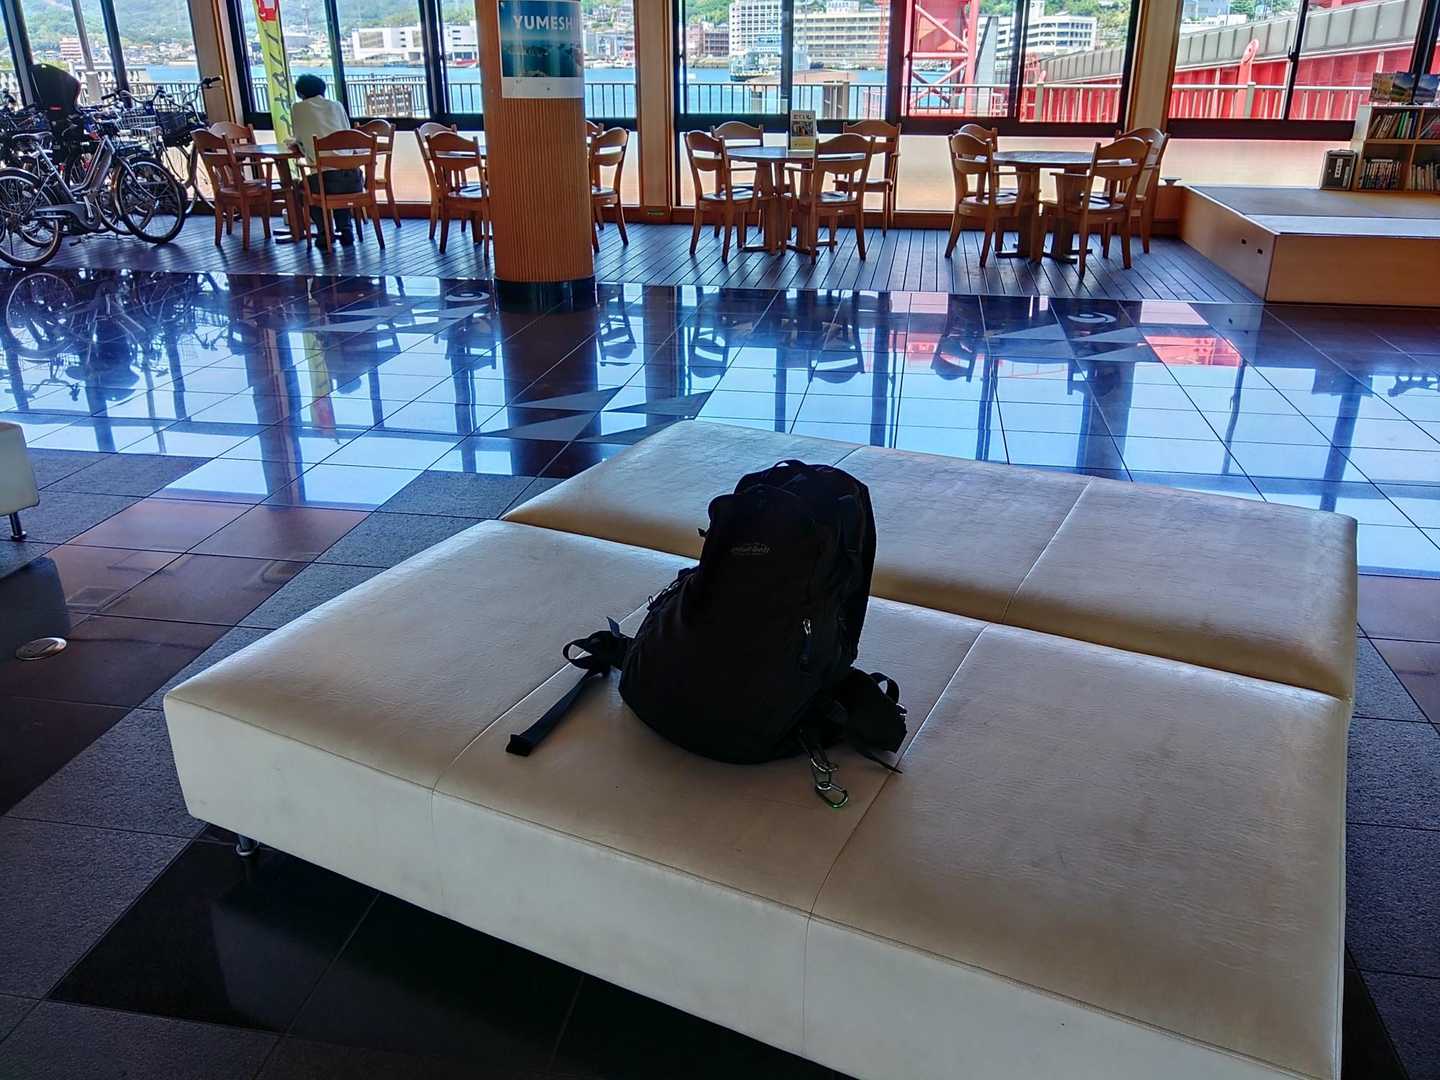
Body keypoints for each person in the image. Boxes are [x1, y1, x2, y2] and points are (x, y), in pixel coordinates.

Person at [287, 74, 362, 246]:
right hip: (354, 178)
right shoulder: (337, 105)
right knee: (337, 180)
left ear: (300, 93)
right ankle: (346, 229)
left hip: (325, 182)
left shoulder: (299, 108)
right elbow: (347, 132)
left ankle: (324, 233)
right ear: (323, 90)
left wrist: (299, 146)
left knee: (307, 186)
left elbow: (300, 138)